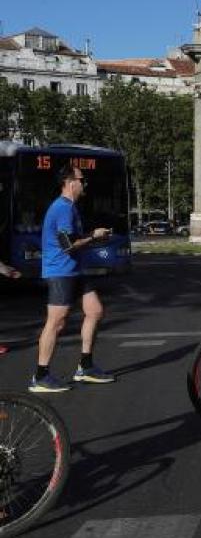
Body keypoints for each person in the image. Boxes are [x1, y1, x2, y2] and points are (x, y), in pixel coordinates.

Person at [31, 163, 116, 392]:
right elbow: (67, 245)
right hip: (60, 270)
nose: (84, 183)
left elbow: (73, 240)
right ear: (70, 184)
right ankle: (40, 375)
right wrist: (94, 237)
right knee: (56, 323)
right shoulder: (62, 208)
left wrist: (94, 237)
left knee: (95, 311)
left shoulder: (70, 207)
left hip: (75, 269)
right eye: (82, 180)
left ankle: (85, 367)